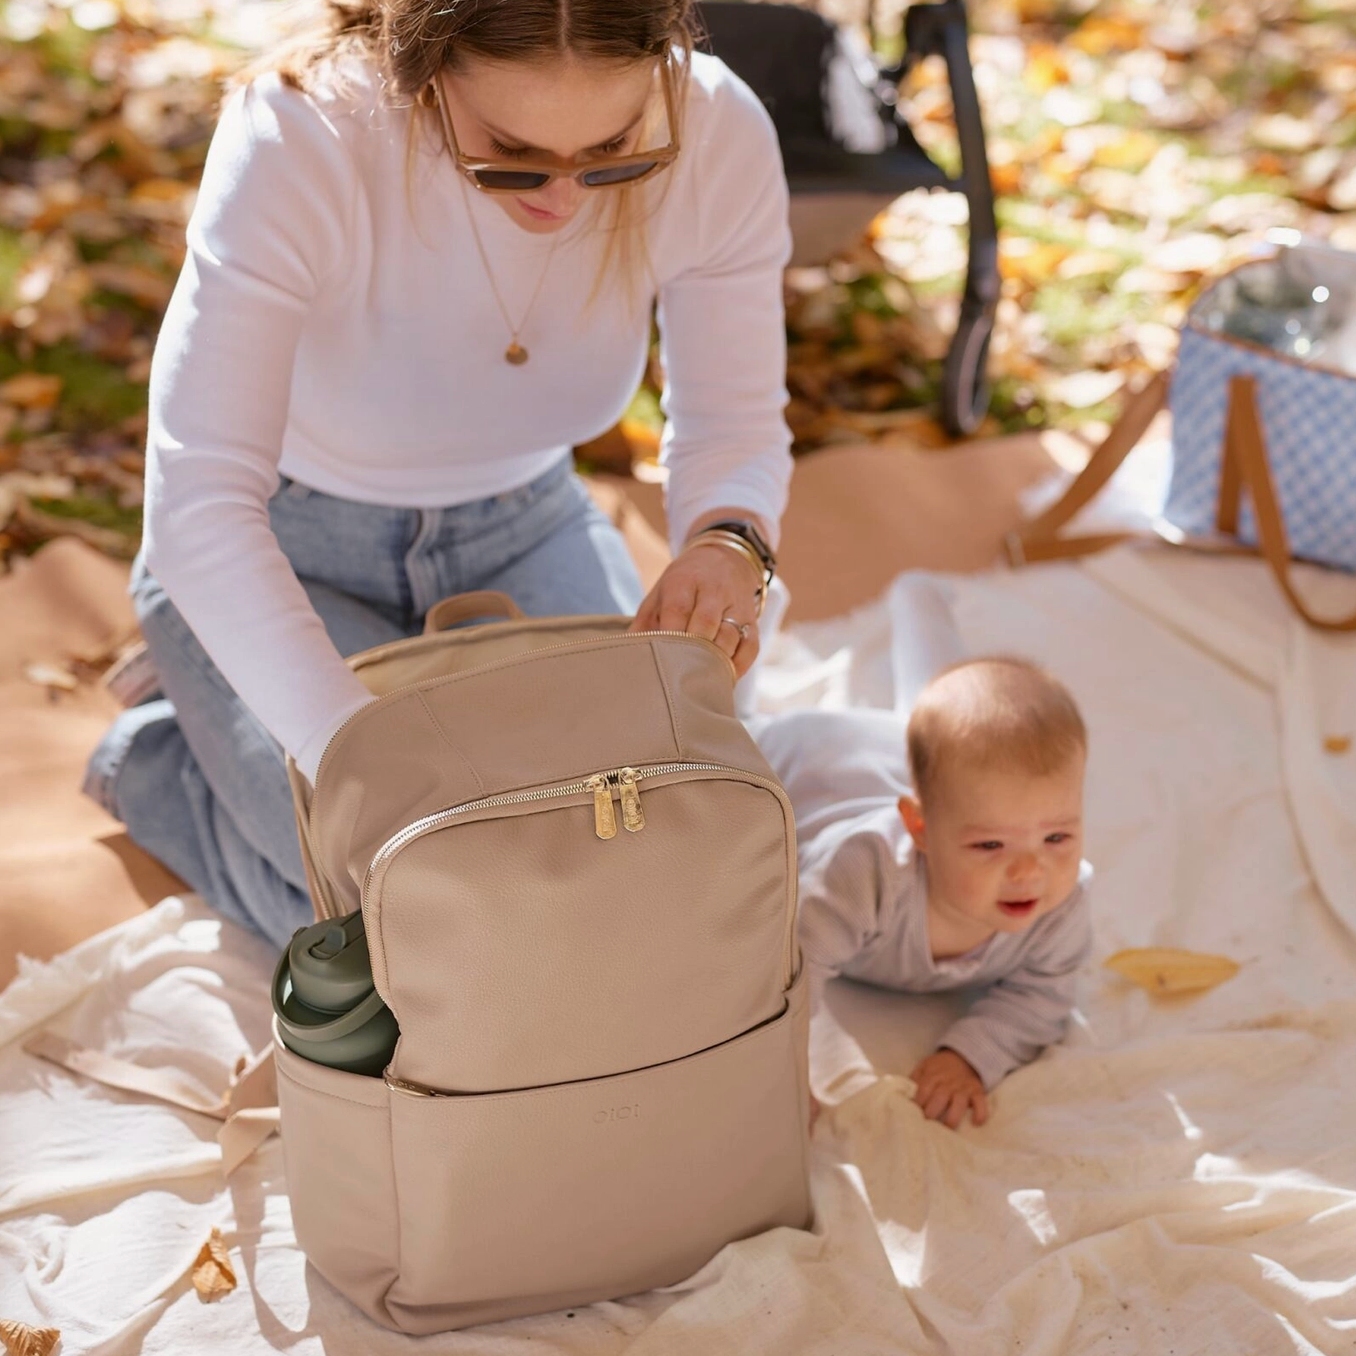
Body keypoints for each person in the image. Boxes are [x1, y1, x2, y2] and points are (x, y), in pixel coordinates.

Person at [82, 0, 793, 950]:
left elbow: (733, 421)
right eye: (511, 153)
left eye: (615, 151)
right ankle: (158, 752)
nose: (566, 198)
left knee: (637, 873)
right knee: (420, 924)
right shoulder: (304, 132)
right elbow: (200, 501)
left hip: (530, 524)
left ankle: (230, 703)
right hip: (284, 553)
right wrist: (362, 758)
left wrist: (726, 539)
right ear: (425, 67)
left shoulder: (719, 129)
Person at [753, 578, 1093, 1130]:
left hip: (915, 767)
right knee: (722, 733)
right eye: (990, 845)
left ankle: (919, 599)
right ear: (919, 828)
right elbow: (792, 969)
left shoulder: (1062, 903)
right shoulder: (864, 873)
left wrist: (970, 1055)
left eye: (1058, 837)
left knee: (943, 715)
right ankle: (756, 615)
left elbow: (1044, 996)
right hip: (815, 762)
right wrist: (782, 1070)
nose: (1031, 870)